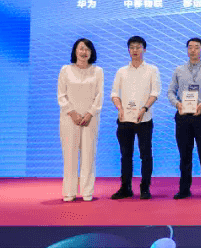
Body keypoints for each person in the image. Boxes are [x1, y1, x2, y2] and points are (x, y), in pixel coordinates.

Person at [167, 37, 201, 200]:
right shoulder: (179, 70)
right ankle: (184, 189)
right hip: (183, 115)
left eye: (196, 47)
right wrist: (177, 104)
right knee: (185, 154)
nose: (193, 50)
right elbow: (170, 91)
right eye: (190, 47)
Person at [110, 35, 160, 200]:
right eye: (132, 47)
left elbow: (155, 93)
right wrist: (119, 108)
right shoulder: (121, 71)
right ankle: (125, 188)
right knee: (126, 155)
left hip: (144, 119)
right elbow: (114, 94)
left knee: (145, 155)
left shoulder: (152, 70)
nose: (135, 50)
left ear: (144, 49)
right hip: (125, 119)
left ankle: (145, 188)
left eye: (138, 47)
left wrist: (144, 108)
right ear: (128, 50)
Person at [57, 38, 104, 202]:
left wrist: (90, 114)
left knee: (88, 155)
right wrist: (73, 113)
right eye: (81, 48)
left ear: (91, 52)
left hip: (90, 119)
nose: (84, 52)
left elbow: (99, 96)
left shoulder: (98, 71)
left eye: (87, 49)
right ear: (75, 51)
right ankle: (69, 192)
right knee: (69, 156)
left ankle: (87, 192)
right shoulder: (66, 70)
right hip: (69, 119)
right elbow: (61, 95)